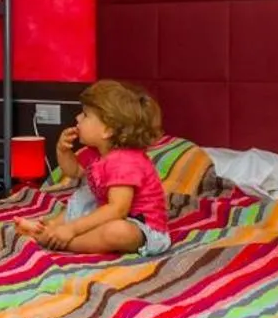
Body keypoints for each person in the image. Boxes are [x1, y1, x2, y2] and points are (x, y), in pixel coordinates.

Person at [17, 80, 171, 257]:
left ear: (107, 130)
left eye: (85, 115)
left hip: (142, 227)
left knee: (117, 231)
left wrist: (73, 229)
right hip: (106, 211)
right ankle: (48, 228)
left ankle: (62, 242)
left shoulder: (125, 161)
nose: (77, 119)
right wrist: (63, 150)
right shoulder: (95, 152)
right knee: (82, 200)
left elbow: (118, 209)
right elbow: (73, 172)